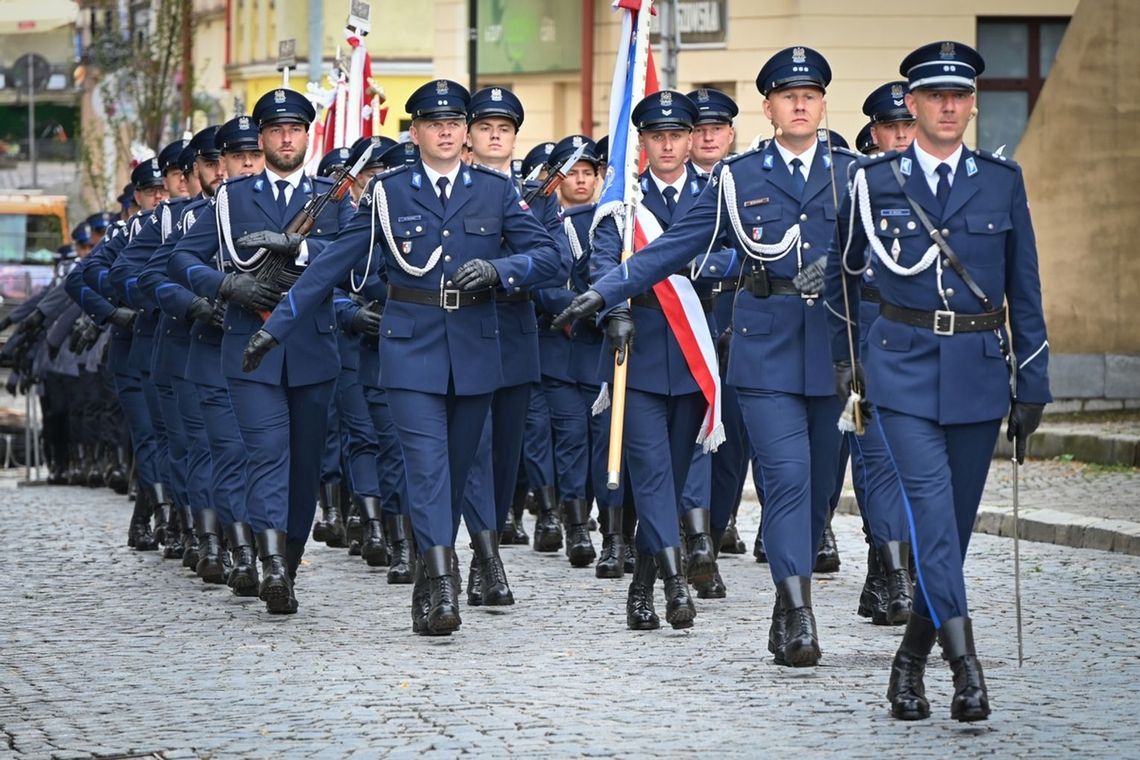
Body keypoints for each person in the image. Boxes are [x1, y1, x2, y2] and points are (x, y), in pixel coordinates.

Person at [555, 47, 854, 665]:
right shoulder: (738, 177)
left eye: (811, 94)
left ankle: (782, 600)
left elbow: (881, 259)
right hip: (765, 351)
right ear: (768, 107)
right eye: (787, 94)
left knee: (821, 483)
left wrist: (848, 271)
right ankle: (798, 610)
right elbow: (678, 246)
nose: (800, 103)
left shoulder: (854, 175)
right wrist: (603, 291)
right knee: (787, 481)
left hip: (833, 352)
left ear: (823, 103)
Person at [242, 79, 564, 636]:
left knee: (457, 468)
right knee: (427, 466)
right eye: (433, 122)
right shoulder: (389, 192)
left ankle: (433, 564)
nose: (445, 130)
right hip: (410, 346)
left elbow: (550, 257)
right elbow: (334, 262)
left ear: (464, 133)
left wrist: (501, 271)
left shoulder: (494, 191)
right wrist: (279, 326)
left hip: (474, 350)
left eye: (454, 122)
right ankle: (441, 581)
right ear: (414, 132)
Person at [823, 41, 1049, 722]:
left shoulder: (1001, 182)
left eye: (960, 96)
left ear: (972, 104)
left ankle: (908, 661)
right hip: (902, 372)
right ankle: (966, 669)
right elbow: (845, 276)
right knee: (929, 518)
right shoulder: (874, 181)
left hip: (979, 373)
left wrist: (1032, 381)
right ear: (913, 104)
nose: (949, 107)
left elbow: (1025, 288)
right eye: (935, 97)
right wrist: (850, 360)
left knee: (946, 532)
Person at [168, 88, 355, 614]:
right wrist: (227, 287)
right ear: (263, 138)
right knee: (265, 454)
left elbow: (356, 256)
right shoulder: (231, 198)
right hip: (249, 346)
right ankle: (271, 563)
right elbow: (180, 259)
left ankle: (287, 563)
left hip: (313, 350)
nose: (286, 138)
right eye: (275, 130)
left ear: (308, 135)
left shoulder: (332, 199)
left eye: (294, 129)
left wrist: (301, 248)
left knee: (304, 466)